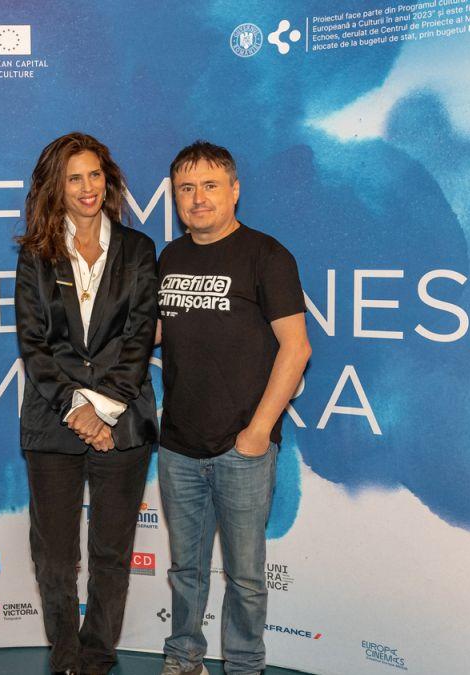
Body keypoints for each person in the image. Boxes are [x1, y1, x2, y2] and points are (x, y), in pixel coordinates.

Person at [156, 141, 312, 675]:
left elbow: (296, 348)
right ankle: (184, 658)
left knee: (244, 577)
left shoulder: (267, 256)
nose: (198, 198)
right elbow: (159, 330)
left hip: (242, 449)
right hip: (178, 446)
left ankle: (244, 666)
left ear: (234, 190)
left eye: (210, 185)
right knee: (185, 571)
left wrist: (259, 431)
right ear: (176, 196)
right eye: (186, 188)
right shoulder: (170, 257)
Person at [15, 132, 160, 675]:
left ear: (109, 180)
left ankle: (97, 658)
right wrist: (77, 409)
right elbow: (34, 344)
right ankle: (66, 658)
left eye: (94, 174)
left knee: (111, 554)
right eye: (73, 177)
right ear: (56, 187)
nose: (86, 187)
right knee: (54, 556)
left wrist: (103, 410)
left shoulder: (138, 249)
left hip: (122, 420)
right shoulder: (36, 255)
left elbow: (139, 339)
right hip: (54, 420)